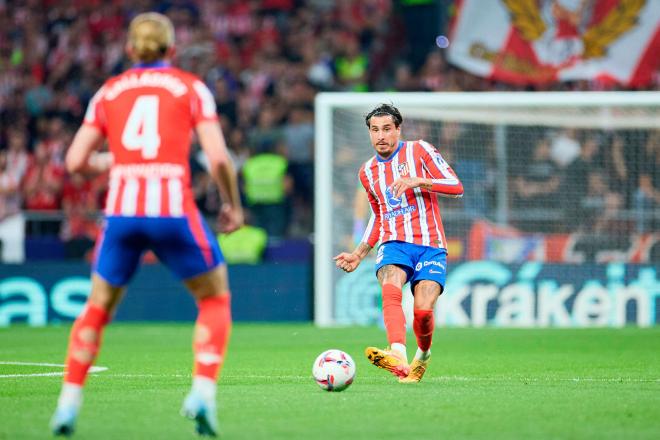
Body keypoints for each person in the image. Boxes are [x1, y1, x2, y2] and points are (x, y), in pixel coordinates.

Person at [50, 13, 243, 437]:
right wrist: (232, 204)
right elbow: (217, 157)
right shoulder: (191, 88)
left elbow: (75, 163)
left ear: (130, 49)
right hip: (173, 209)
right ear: (172, 49)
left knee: (98, 307)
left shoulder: (108, 91)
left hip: (121, 212)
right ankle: (203, 395)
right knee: (214, 299)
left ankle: (67, 404)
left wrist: (118, 162)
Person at [334, 104, 463, 383]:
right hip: (394, 243)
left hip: (430, 244)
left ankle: (423, 355)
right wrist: (359, 252)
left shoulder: (420, 151)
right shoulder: (367, 172)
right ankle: (397, 353)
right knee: (390, 280)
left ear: (398, 129)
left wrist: (420, 181)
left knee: (423, 311)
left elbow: (456, 186)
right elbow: (378, 216)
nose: (381, 135)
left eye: (387, 129)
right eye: (375, 130)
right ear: (369, 133)